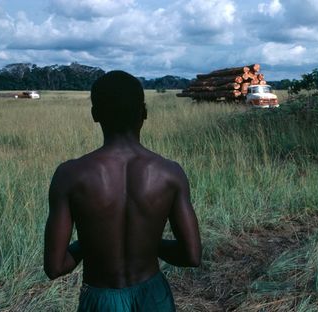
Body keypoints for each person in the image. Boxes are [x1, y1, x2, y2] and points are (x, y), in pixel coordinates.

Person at [44, 70, 202, 311]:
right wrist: (149, 243)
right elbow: (191, 256)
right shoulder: (170, 173)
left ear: (95, 114)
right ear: (144, 113)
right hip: (154, 296)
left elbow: (55, 267)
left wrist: (89, 243)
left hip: (101, 300)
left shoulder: (70, 176)